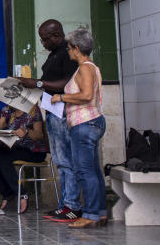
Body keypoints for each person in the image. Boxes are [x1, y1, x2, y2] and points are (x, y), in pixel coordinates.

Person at [14, 19, 80, 221]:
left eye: (44, 40)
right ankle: (65, 204)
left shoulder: (68, 53)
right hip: (51, 110)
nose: (42, 43)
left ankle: (73, 206)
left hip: (62, 111)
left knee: (67, 161)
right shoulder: (54, 53)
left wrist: (38, 82)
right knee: (60, 160)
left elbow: (68, 82)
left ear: (56, 36)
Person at [51, 28, 108, 229]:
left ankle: (91, 214)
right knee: (94, 171)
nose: (68, 52)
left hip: (85, 124)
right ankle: (100, 212)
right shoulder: (91, 67)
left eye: (69, 48)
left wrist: (61, 97)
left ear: (77, 48)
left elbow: (85, 96)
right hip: (92, 122)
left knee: (85, 171)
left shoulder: (85, 68)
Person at [0, 105, 47, 212]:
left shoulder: (33, 109)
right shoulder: (7, 110)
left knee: (3, 157)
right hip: (14, 149)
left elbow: (39, 134)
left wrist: (27, 131)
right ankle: (8, 193)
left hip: (34, 151)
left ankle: (22, 194)